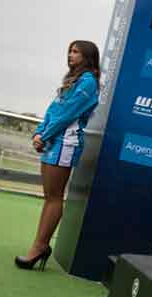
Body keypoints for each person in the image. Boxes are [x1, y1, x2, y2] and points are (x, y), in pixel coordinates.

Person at [15, 41, 101, 270]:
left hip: (66, 142)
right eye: (70, 51)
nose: (71, 56)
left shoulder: (88, 82)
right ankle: (40, 245)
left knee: (54, 196)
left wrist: (44, 136)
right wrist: (39, 132)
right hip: (54, 140)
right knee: (49, 196)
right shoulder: (71, 80)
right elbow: (53, 109)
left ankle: (39, 247)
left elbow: (67, 114)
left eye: (76, 52)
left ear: (88, 57)